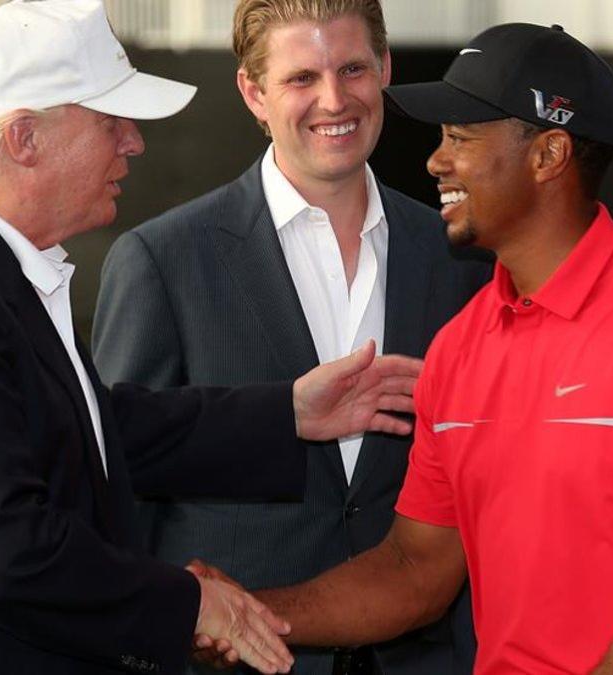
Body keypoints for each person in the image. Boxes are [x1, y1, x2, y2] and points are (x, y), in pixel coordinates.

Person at [0, 2, 426, 674]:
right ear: (24, 139)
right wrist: (192, 603)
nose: (133, 142)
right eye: (111, 122)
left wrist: (289, 414)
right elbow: (5, 552)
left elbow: (87, 429)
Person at [193, 23, 613, 674]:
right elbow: (414, 570)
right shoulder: (459, 346)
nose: (435, 161)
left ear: (548, 154)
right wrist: (242, 609)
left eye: (461, 138)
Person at [92, 1, 487, 673]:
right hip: (237, 661)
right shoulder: (163, 260)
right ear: (254, 92)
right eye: (302, 77)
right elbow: (115, 482)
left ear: (386, 68)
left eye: (354, 67)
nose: (335, 99)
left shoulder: (461, 258)